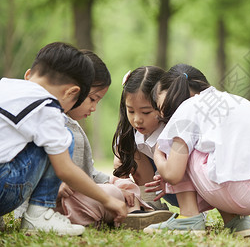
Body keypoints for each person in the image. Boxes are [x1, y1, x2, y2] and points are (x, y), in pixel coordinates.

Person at [143, 63, 250, 237]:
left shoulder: (188, 107)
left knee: (179, 147)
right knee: (213, 151)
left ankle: (188, 218)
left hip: (236, 191)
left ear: (170, 90)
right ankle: (236, 221)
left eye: (158, 104)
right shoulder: (235, 100)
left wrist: (159, 153)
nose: (159, 112)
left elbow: (173, 174)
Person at [0, 42, 127, 236]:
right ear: (72, 92)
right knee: (63, 137)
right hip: (4, 188)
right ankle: (39, 214)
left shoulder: (5, 85)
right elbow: (65, 169)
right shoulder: (48, 108)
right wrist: (108, 200)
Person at [53, 51, 157, 229]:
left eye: (97, 102)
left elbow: (90, 174)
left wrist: (116, 182)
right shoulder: (52, 125)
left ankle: (135, 214)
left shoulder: (76, 128)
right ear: (72, 91)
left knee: (123, 186)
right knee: (112, 193)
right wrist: (54, 184)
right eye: (92, 99)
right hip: (60, 198)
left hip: (82, 192)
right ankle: (122, 213)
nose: (93, 108)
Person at [112, 66, 175, 225]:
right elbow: (119, 171)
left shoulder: (175, 129)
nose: (137, 120)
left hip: (184, 187)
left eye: (146, 112)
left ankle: (193, 211)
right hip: (156, 189)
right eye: (131, 111)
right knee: (128, 149)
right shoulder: (130, 133)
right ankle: (151, 204)